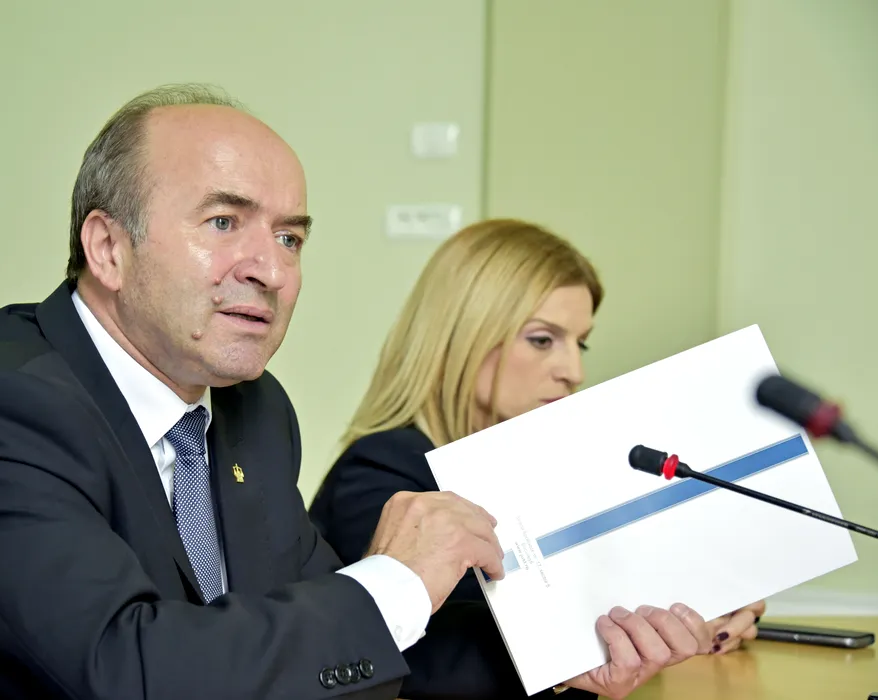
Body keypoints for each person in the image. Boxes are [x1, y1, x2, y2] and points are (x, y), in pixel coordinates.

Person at [0, 85, 704, 700]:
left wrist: (560, 672)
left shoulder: (250, 410)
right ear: (107, 249)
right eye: (223, 222)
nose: (270, 269)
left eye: (290, 237)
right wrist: (393, 583)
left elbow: (312, 663)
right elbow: (124, 674)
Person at [310, 218, 766, 698]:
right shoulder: (382, 470)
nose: (574, 370)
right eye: (543, 339)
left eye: (579, 342)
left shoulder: (535, 476)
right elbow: (430, 653)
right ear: (462, 336)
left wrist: (702, 601)